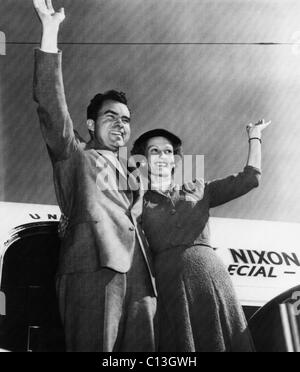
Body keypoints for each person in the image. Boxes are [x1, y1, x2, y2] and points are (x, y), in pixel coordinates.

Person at [32, 0, 157, 352]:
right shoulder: (74, 155)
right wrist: (50, 30)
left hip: (142, 283)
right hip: (93, 268)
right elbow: (51, 106)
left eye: (126, 120)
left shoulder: (136, 175)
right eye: (111, 117)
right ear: (90, 124)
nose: (121, 124)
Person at [131, 119, 270, 352]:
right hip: (170, 287)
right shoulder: (138, 201)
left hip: (212, 279)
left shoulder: (199, 188)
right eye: (154, 151)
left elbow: (251, 179)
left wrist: (254, 135)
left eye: (168, 151)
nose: (163, 156)